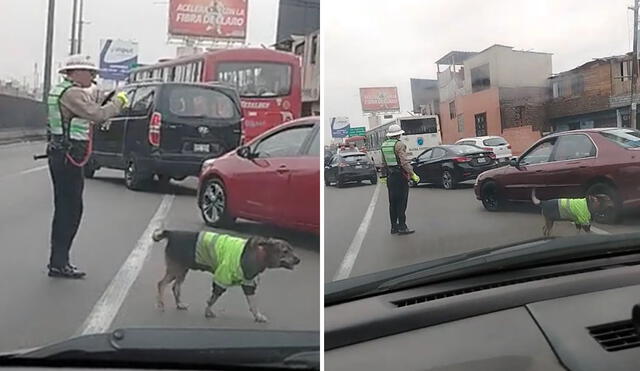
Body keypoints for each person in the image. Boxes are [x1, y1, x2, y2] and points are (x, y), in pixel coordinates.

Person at [46, 54, 129, 278]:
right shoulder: (73, 94)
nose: (93, 77)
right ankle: (59, 263)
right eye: (90, 72)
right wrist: (118, 103)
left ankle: (59, 261)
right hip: (69, 157)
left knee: (67, 208)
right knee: (70, 210)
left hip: (62, 154)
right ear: (75, 72)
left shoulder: (62, 90)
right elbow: (98, 115)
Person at [380, 124, 420, 235]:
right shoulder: (399, 145)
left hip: (390, 177)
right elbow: (404, 162)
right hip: (400, 177)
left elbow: (383, 163)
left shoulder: (384, 145)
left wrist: (383, 176)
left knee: (392, 203)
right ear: (398, 134)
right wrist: (412, 174)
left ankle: (394, 227)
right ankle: (402, 227)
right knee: (402, 202)